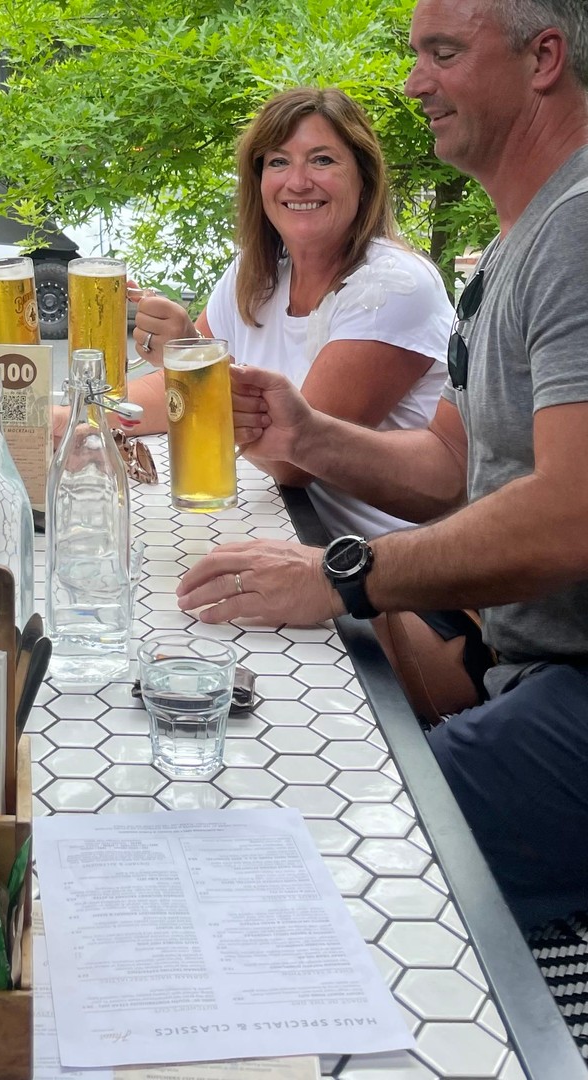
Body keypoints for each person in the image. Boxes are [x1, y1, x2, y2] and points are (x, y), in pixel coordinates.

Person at [177, 0, 588, 928]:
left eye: (442, 53)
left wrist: (342, 575)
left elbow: (573, 514)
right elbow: (448, 468)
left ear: (543, 58)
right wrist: (308, 434)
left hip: (572, 685)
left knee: (313, 866)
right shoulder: (517, 244)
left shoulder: (576, 230)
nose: (413, 82)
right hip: (527, 668)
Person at [123, 87, 453, 539]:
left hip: (378, 559)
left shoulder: (393, 285)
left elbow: (292, 459)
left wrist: (193, 358)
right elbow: (168, 389)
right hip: (287, 530)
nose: (298, 182)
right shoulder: (255, 274)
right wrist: (76, 418)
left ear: (364, 179)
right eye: (278, 162)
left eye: (322, 160)